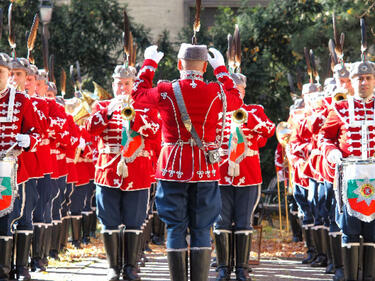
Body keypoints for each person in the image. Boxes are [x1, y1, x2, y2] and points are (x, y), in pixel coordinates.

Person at [131, 44, 243, 281]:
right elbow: (236, 100)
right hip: (205, 168)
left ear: (179, 64)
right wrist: (221, 70)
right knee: (202, 228)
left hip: (173, 167)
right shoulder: (215, 91)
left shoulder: (165, 89)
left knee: (175, 227)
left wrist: (149, 65)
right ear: (204, 67)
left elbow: (137, 97)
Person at [86, 63, 160, 281]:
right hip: (108, 170)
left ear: (133, 85)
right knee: (109, 219)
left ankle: (130, 267)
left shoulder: (144, 108)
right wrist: (109, 111)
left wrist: (135, 115)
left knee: (134, 220)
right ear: (113, 84)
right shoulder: (102, 106)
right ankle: (113, 267)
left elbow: (154, 133)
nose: (123, 89)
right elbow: (91, 129)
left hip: (136, 172)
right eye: (119, 84)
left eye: (127, 84)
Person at [214, 72, 275, 281]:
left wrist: (248, 118)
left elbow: (268, 131)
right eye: (230, 92)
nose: (235, 95)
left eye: (238, 91)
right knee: (221, 222)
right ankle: (223, 267)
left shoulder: (254, 111)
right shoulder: (214, 113)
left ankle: (242, 268)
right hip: (222, 176)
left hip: (247, 176)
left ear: (243, 91)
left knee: (243, 222)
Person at [320, 60, 375, 281]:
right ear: (352, 82)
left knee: (373, 233)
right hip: (349, 177)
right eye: (359, 79)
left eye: (368, 78)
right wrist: (331, 152)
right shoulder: (340, 108)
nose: (364, 82)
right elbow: (325, 137)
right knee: (349, 230)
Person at [0, 53, 41, 281]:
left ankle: (5, 271)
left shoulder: (21, 100)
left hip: (11, 169)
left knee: (7, 217)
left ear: (8, 75)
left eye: (1, 73)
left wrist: (28, 140)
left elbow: (35, 132)